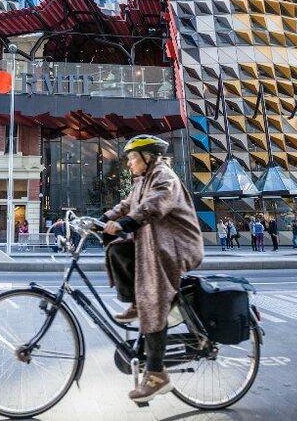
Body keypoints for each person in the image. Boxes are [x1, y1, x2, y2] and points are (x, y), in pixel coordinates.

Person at [100, 134, 204, 403]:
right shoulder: (142, 181)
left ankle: (157, 375)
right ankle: (136, 302)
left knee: (153, 298)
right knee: (117, 249)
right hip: (153, 243)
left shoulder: (163, 176)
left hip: (174, 246)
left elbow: (156, 203)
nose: (130, 164)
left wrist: (127, 224)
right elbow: (127, 205)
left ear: (149, 157)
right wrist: (103, 219)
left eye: (133, 158)